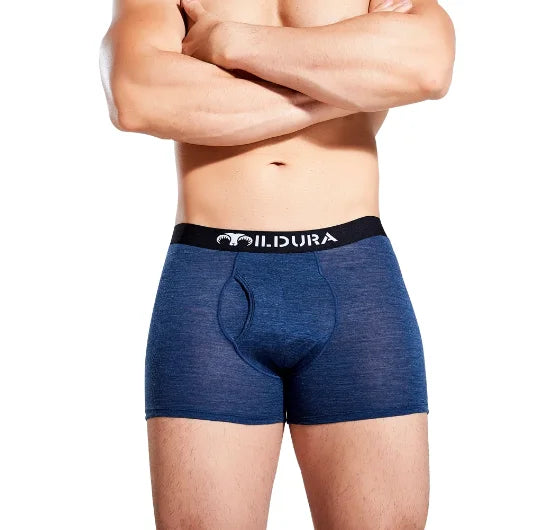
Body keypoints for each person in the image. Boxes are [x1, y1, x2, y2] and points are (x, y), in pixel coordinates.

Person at [100, 0, 455, 527]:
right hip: (212, 280)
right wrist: (342, 87)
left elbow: (427, 65)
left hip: (353, 279)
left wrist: (232, 42)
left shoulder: (217, 29)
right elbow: (136, 95)